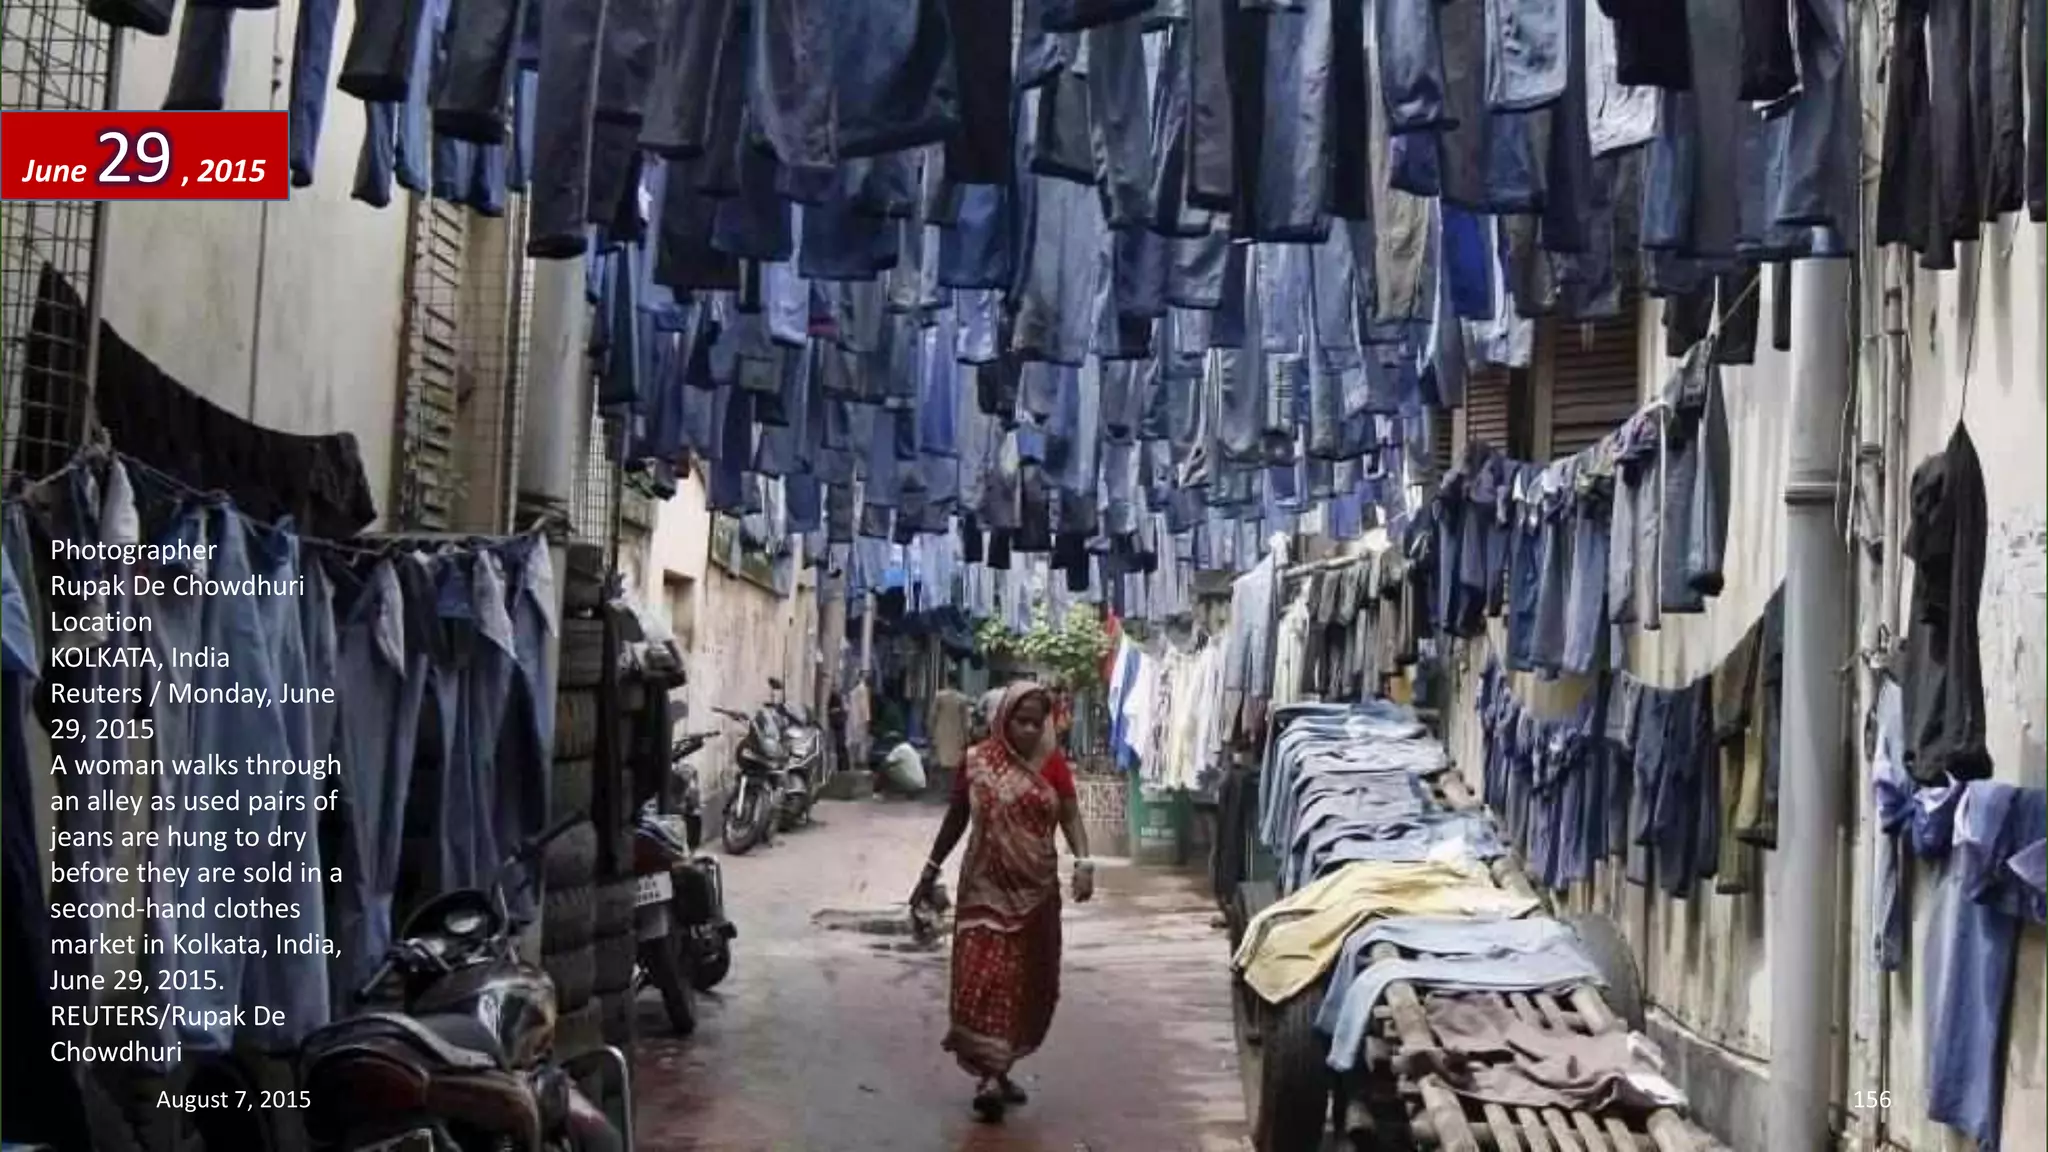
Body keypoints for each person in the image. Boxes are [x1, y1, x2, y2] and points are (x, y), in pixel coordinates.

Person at [910, 681, 1094, 1123]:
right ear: (1002, 719)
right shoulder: (977, 763)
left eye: (1037, 722)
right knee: (986, 977)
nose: (1030, 730)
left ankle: (1001, 1065)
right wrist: (929, 870)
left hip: (1035, 892)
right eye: (1021, 721)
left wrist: (1084, 861)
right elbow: (956, 817)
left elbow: (1069, 813)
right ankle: (989, 1073)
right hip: (983, 888)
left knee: (1023, 982)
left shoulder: (1053, 765)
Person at [929, 680, 973, 779]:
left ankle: (941, 784)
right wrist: (967, 737)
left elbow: (933, 716)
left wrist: (931, 731)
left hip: (941, 731)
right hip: (957, 734)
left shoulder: (939, 696)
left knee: (941, 759)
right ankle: (952, 785)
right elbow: (965, 720)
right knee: (955, 761)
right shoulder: (962, 698)